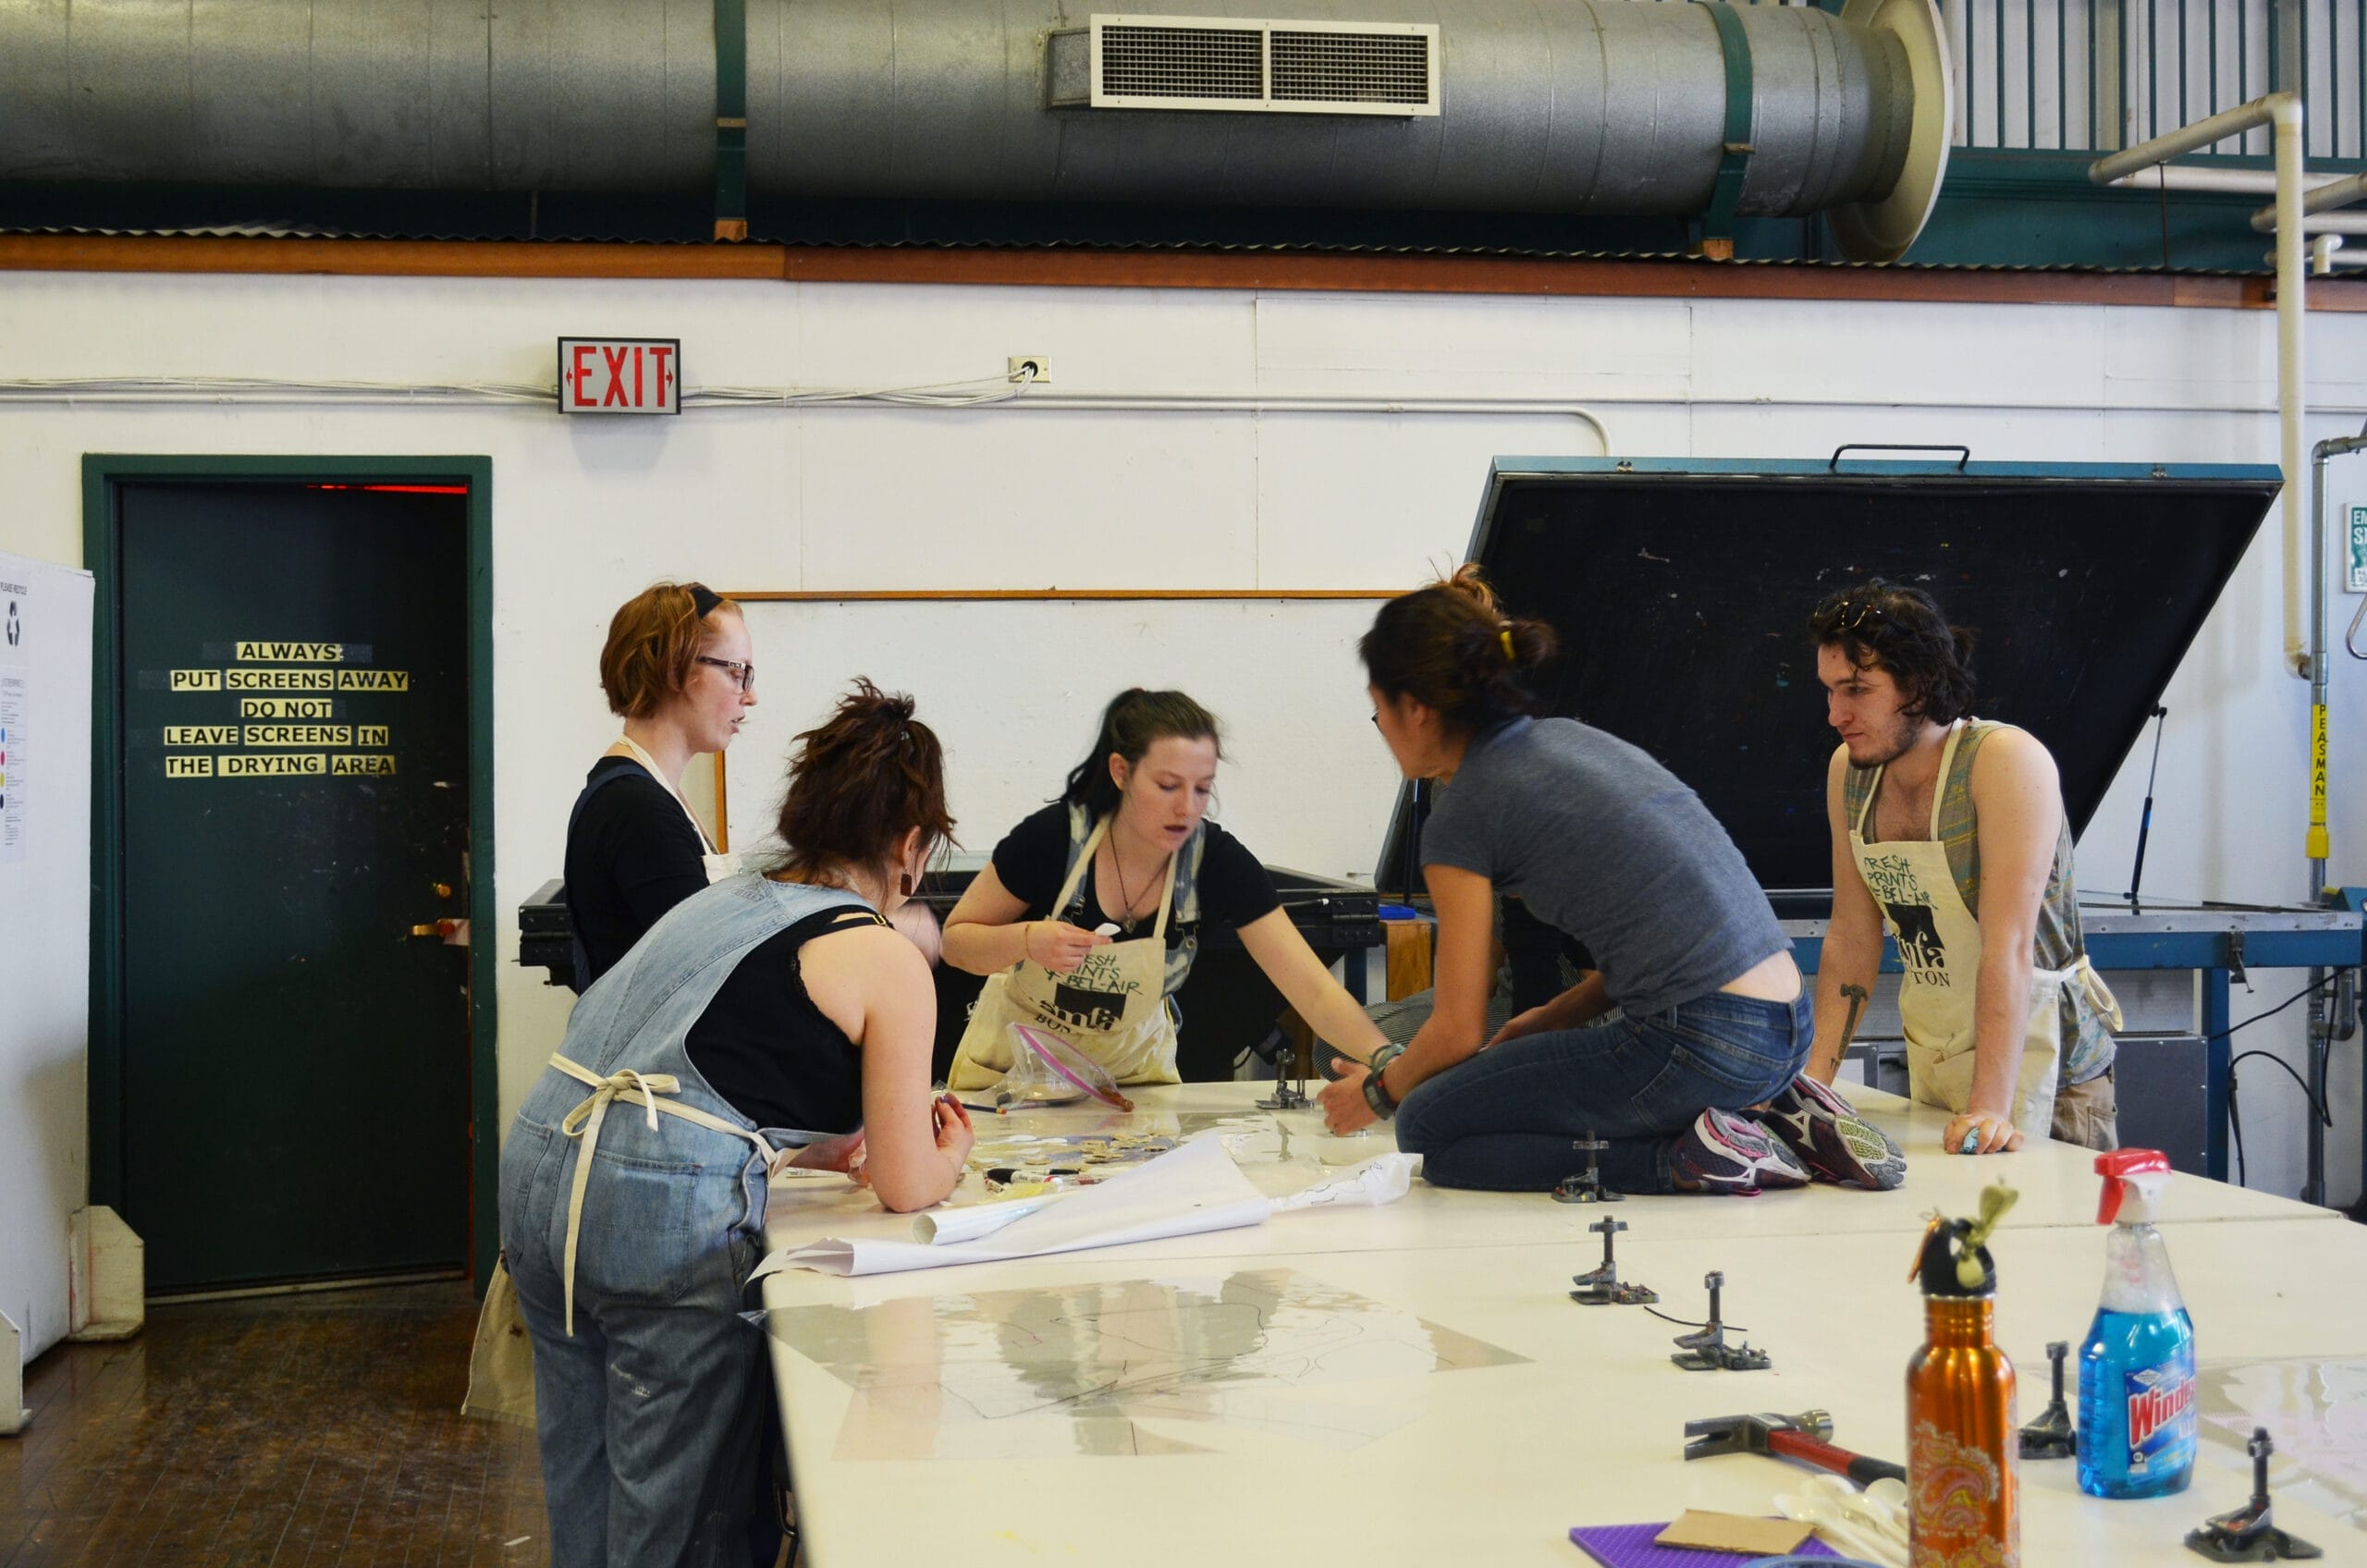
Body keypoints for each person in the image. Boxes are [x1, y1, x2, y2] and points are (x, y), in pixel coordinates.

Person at [502, 680, 975, 1568]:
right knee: (679, 1521)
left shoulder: (722, 901)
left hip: (539, 1165)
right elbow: (907, 1184)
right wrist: (950, 1151)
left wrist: (803, 1146)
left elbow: (696, 1066)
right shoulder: (886, 954)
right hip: (652, 1216)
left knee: (584, 1478)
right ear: (912, 845)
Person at [1316, 567, 1905, 1195]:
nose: (1382, 730)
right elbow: (1669, 936)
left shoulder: (1462, 813)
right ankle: (1772, 1111)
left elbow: (1457, 1029)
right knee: (1478, 1091)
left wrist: (1377, 1093)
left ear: (1414, 708)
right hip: (1788, 1025)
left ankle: (1692, 1157)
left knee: (1428, 1126)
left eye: (1378, 710)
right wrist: (1550, 1018)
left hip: (1702, 1041)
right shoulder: (1575, 743)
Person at [1807, 580, 2122, 1155]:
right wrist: (1810, 1090)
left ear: (1919, 684)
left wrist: (1990, 1108)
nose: (1835, 714)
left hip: (2048, 1079)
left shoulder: (2004, 761)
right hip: (1941, 1069)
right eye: (1830, 691)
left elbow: (2009, 946)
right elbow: (1851, 936)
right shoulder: (1849, 772)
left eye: (1856, 690)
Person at [940, 688, 1390, 1086]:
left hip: (1132, 1086)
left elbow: (1313, 990)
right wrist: (1026, 940)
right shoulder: (1052, 839)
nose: (1187, 808)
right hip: (1017, 1081)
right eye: (1168, 786)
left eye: (1202, 789)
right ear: (1120, 772)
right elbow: (956, 943)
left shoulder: (1216, 861)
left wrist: (1390, 1064)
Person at [563, 582, 754, 991]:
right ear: (676, 670)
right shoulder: (635, 808)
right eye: (737, 672)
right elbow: (706, 968)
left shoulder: (651, 794)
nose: (749, 695)